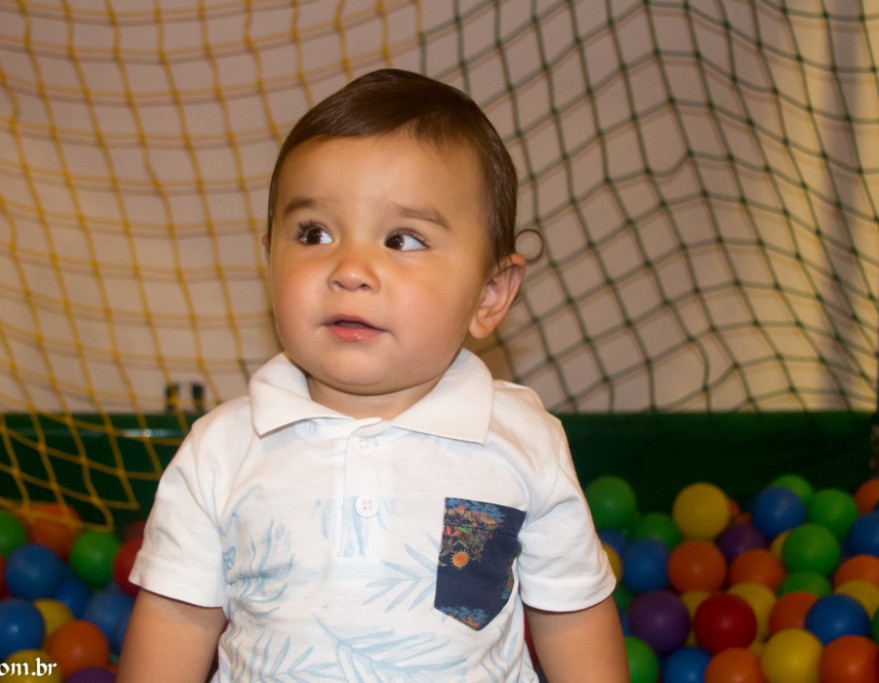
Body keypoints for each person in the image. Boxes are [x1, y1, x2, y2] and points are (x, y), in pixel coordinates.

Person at [117, 68, 627, 682]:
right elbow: (177, 618)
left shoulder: (520, 442)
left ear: (490, 293)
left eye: (403, 239)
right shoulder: (222, 451)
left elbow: (571, 615)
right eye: (314, 234)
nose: (350, 269)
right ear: (270, 258)